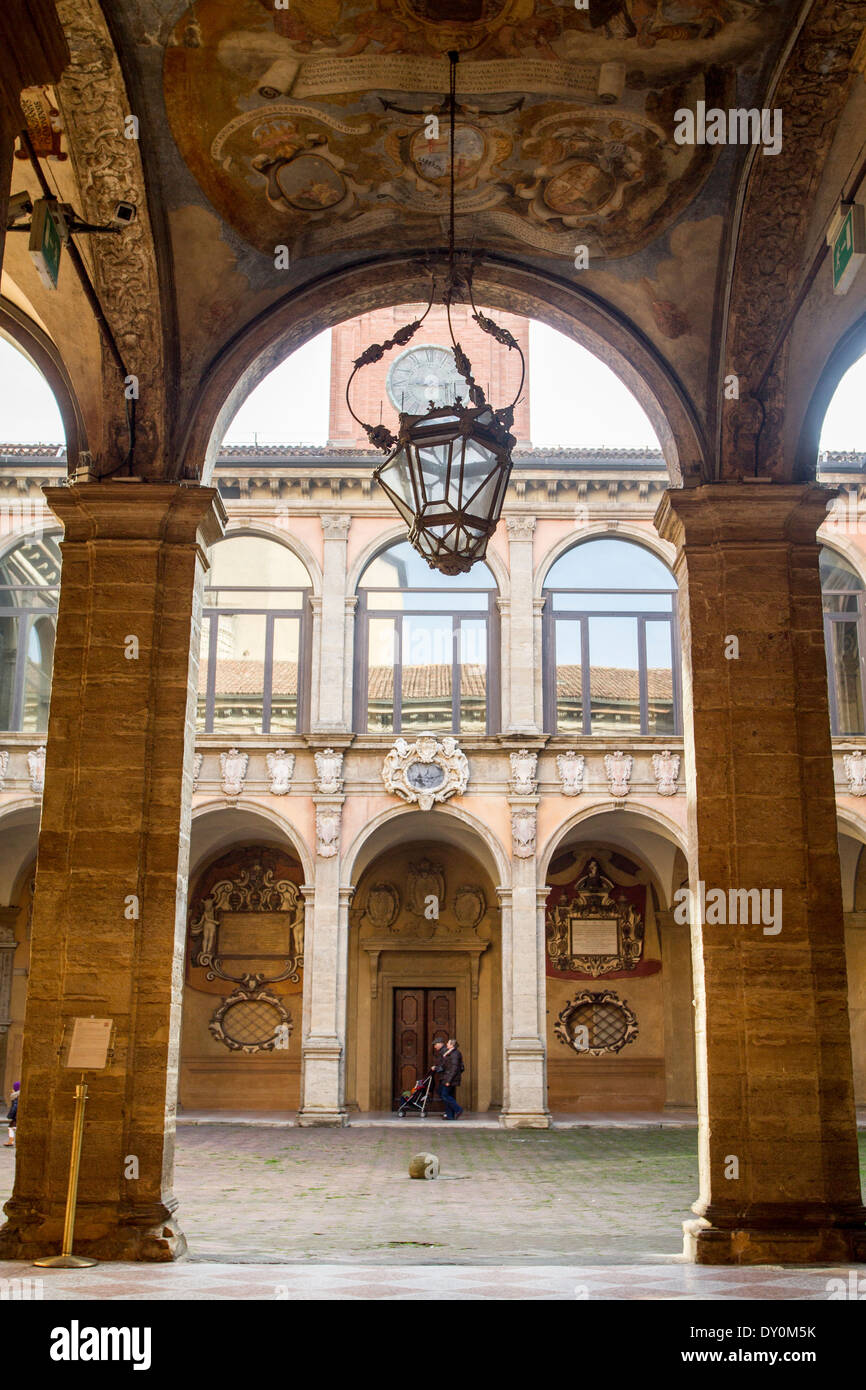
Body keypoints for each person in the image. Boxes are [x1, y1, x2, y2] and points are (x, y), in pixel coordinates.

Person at [438, 1038, 464, 1120]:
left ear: (452, 1045)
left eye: (448, 1043)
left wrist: (448, 1081)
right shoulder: (450, 1053)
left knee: (444, 1095)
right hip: (447, 1077)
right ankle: (450, 1116)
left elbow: (454, 1068)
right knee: (447, 1095)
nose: (446, 1044)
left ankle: (458, 1109)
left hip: (450, 1078)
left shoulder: (455, 1054)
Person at [5, 1082, 19, 1146]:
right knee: (12, 1127)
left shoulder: (15, 1096)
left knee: (11, 1127)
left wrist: (10, 1115)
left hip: (16, 1116)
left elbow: (15, 1107)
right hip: (17, 1116)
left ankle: (11, 1141)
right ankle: (11, 1141)